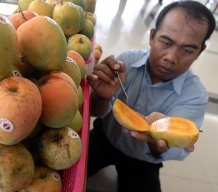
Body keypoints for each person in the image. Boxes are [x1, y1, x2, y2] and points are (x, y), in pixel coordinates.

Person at [86, 1, 216, 192]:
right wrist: (102, 97)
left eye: (187, 50)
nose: (171, 57)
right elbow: (97, 111)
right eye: (166, 42)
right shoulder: (127, 63)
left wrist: (157, 141)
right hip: (105, 138)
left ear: (200, 51)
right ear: (152, 36)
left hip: (143, 160)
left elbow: (172, 144)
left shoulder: (195, 96)